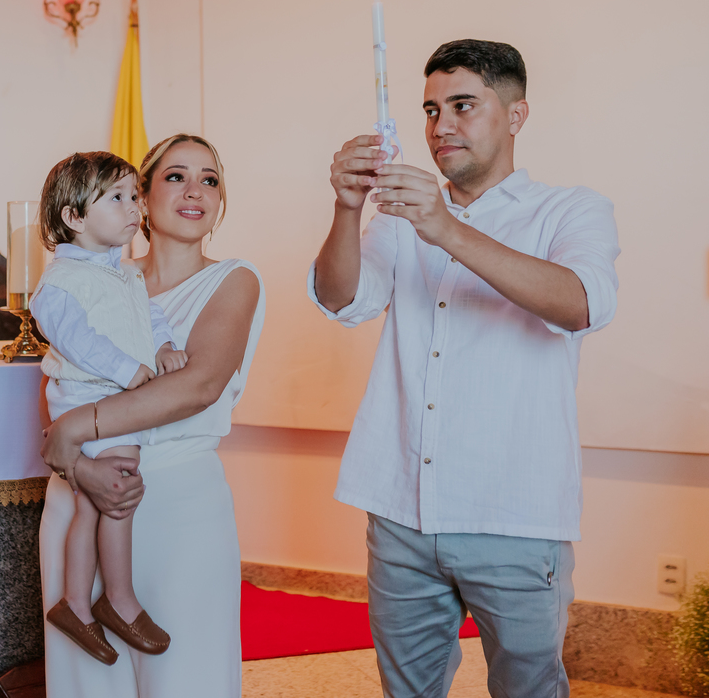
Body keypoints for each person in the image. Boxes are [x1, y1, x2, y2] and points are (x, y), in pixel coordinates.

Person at [309, 39, 620, 697]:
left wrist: (444, 227)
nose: (439, 125)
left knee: (528, 688)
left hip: (515, 513)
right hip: (399, 508)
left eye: (462, 105)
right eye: (429, 108)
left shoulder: (571, 209)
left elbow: (580, 302)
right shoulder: (398, 218)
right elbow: (342, 298)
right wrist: (345, 206)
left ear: (515, 114)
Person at [39, 134, 264, 697]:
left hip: (180, 503)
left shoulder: (234, 279)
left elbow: (197, 386)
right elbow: (59, 378)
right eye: (176, 176)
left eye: (209, 180)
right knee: (89, 683)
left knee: (184, 679)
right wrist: (76, 464)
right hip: (81, 490)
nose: (195, 191)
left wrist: (75, 430)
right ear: (139, 195)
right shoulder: (97, 279)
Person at [31, 151, 186, 665]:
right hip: (89, 396)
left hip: (112, 397)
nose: (133, 208)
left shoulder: (123, 274)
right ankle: (118, 601)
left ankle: (76, 604)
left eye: (134, 197)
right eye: (117, 198)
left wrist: (162, 348)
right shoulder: (60, 281)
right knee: (118, 496)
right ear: (74, 218)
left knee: (93, 504)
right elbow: (76, 340)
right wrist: (128, 372)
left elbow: (150, 315)